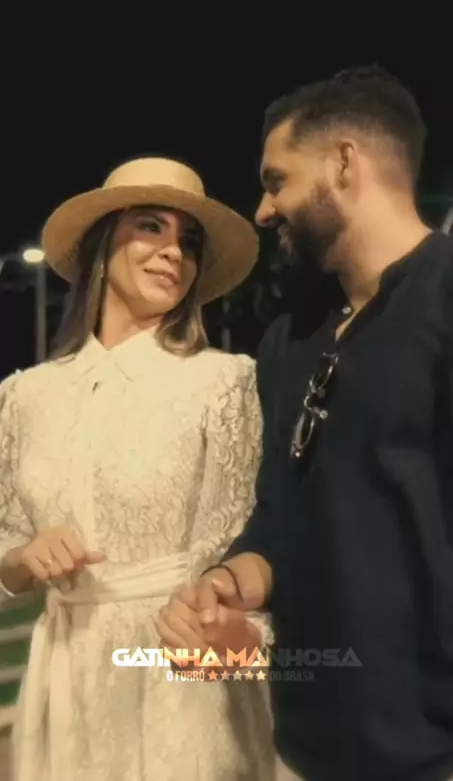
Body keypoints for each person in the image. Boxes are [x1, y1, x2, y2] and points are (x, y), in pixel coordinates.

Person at [158, 68, 453, 780]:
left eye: (277, 180)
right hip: (303, 751)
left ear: (343, 163)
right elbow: (280, 515)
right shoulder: (289, 339)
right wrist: (232, 581)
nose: (263, 209)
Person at [0, 156, 276, 781]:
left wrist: (235, 648)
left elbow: (241, 553)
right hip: (62, 681)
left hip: (179, 679)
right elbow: (6, 549)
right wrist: (23, 557)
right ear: (102, 247)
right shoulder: (24, 396)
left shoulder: (223, 384)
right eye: (151, 226)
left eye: (189, 241)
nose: (174, 252)